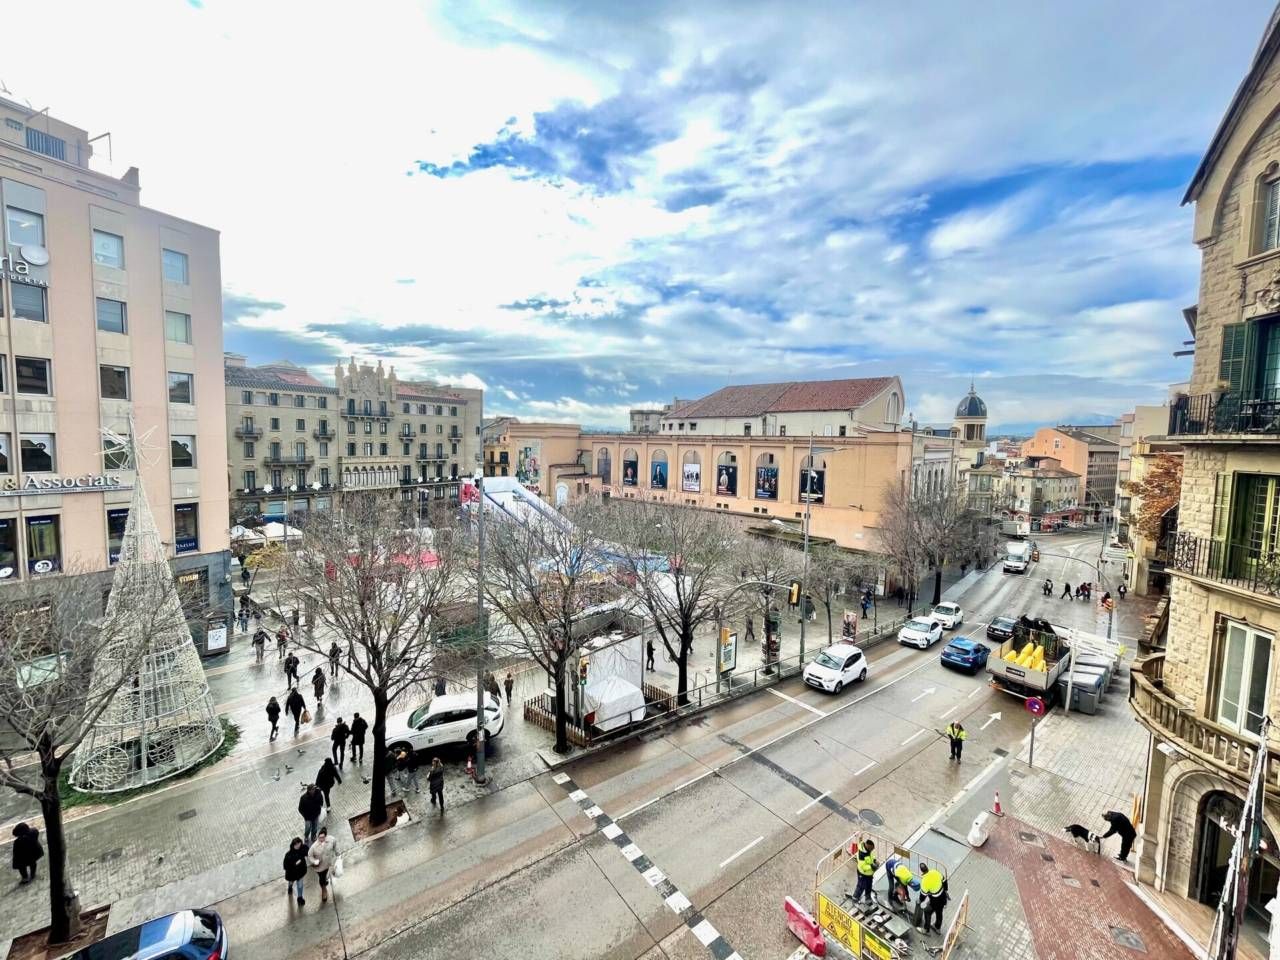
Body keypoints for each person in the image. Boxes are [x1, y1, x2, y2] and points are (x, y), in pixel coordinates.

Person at [307, 827, 339, 905]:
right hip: (320, 867)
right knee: (321, 879)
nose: (321, 839)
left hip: (328, 863)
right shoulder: (314, 847)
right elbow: (310, 856)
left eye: (323, 837)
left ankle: (325, 880)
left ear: (326, 836)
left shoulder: (331, 839)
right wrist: (314, 861)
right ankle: (324, 890)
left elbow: (335, 844)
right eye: (319, 837)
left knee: (327, 875)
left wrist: (337, 853)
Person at [919, 861, 946, 934]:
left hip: (935, 899)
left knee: (927, 911)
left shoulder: (924, 881)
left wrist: (922, 903)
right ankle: (937, 928)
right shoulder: (934, 871)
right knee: (939, 912)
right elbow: (944, 880)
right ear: (927, 868)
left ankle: (926, 930)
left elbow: (923, 895)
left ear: (921, 871)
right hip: (943, 896)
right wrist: (946, 890)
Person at [283, 836, 309, 907]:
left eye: (299, 843)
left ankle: (299, 898)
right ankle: (290, 888)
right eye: (296, 844)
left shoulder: (302, 849)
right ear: (293, 845)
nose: (298, 845)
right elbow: (285, 866)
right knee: (291, 882)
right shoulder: (288, 855)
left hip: (300, 872)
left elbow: (308, 852)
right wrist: (294, 864)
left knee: (300, 885)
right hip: (292, 873)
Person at [852, 838, 877, 905]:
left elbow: (871, 856)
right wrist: (872, 866)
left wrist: (874, 860)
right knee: (861, 886)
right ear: (868, 847)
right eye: (872, 849)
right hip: (863, 874)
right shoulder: (861, 854)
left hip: (869, 874)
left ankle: (867, 897)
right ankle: (855, 898)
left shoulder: (868, 851)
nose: (872, 850)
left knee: (869, 885)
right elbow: (863, 867)